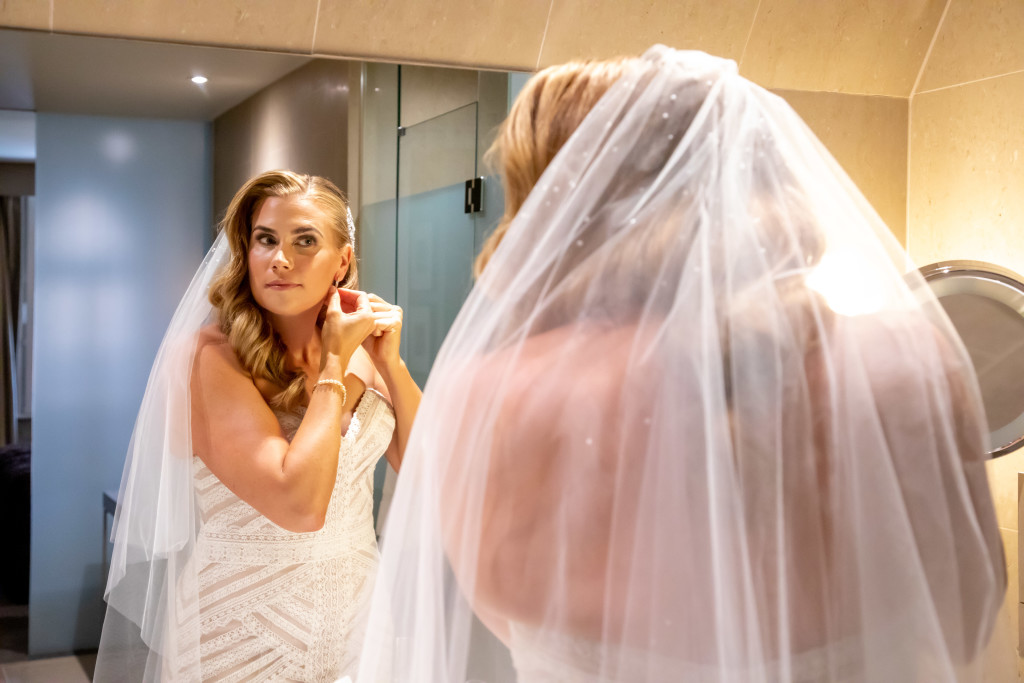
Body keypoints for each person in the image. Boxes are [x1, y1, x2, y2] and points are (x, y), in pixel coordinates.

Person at [356, 46, 1011, 682]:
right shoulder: (903, 363)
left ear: (553, 205)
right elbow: (967, 619)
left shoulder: (488, 400)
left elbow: (505, 623)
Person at [95, 170, 421, 681]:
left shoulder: (364, 352)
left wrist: (391, 364)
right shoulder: (210, 358)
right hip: (244, 627)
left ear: (342, 262)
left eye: (304, 241)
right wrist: (335, 363)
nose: (280, 259)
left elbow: (431, 472)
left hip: (360, 617)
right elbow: (299, 505)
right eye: (265, 240)